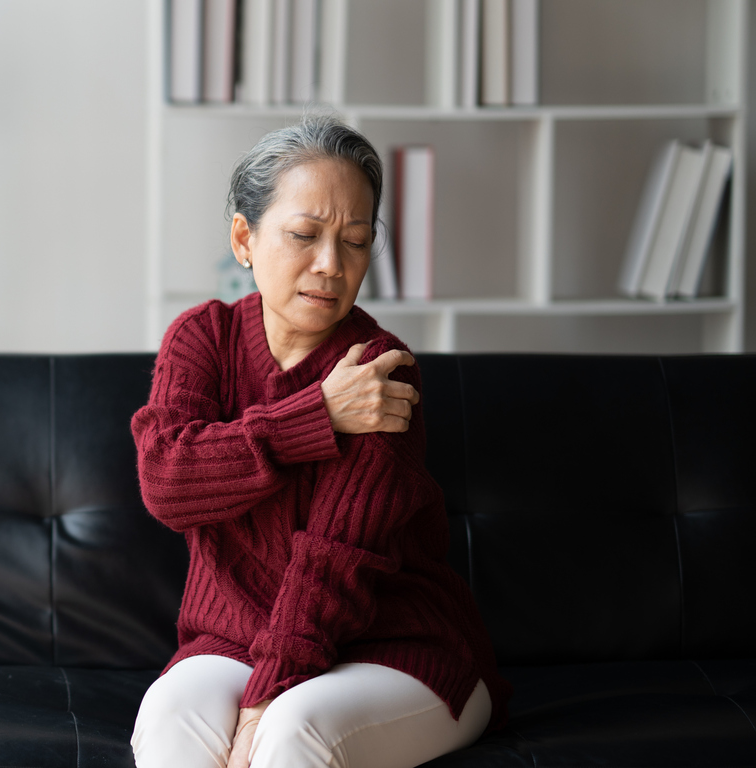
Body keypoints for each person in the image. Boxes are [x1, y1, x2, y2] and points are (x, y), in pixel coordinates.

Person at [129, 114, 511, 768]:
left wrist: (264, 701)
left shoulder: (379, 368)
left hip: (396, 646)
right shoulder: (201, 339)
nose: (331, 265)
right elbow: (169, 485)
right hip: (232, 641)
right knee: (167, 722)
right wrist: (316, 418)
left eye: (356, 241)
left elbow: (335, 562)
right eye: (305, 235)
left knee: (292, 730)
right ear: (244, 239)